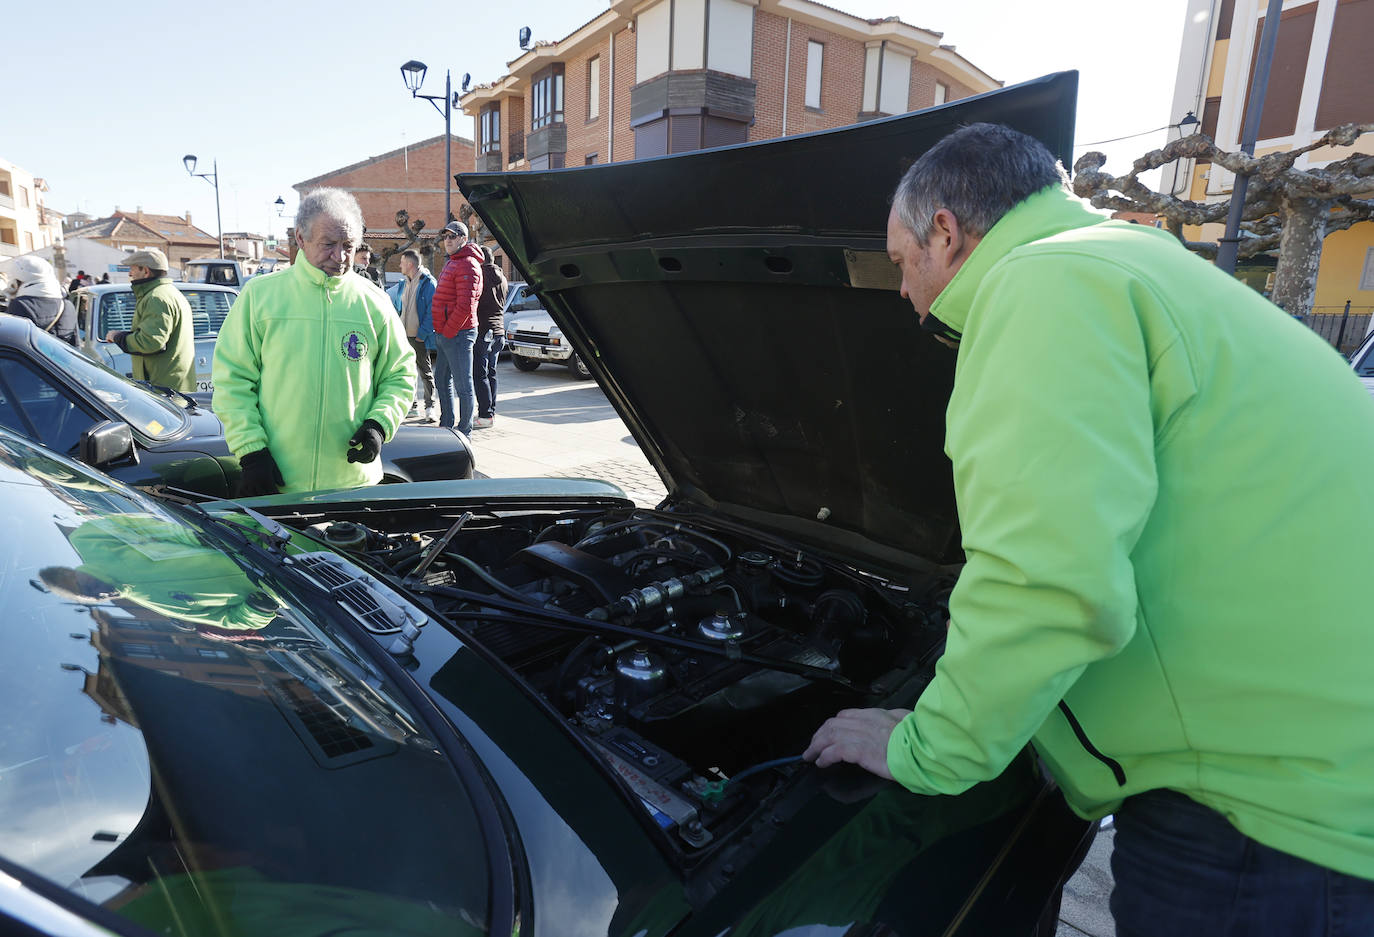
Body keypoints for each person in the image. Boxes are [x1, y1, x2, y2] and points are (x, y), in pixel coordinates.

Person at [802, 122, 1374, 934]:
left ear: (945, 232)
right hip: (1317, 773)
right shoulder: (1130, 261)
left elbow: (1046, 583)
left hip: (1259, 821)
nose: (900, 292)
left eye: (900, 264)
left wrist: (927, 747)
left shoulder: (1044, 286)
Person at [212, 188, 416, 497]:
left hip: (353, 486)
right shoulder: (260, 297)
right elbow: (233, 381)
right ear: (300, 238)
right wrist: (251, 451)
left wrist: (379, 424)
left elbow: (400, 374)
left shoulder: (375, 301)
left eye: (348, 245)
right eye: (328, 244)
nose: (340, 257)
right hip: (277, 483)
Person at [103, 249, 195, 390]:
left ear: (146, 271)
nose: (129, 274)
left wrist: (117, 337)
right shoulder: (168, 293)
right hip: (171, 387)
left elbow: (151, 342)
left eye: (132, 269)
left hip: (163, 391)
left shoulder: (156, 298)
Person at [430, 220, 482, 435]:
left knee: (463, 385)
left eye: (453, 236)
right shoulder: (454, 261)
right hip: (446, 334)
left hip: (458, 334)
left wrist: (449, 331)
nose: (448, 240)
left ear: (463, 238)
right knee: (442, 380)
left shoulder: (468, 263)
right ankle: (447, 424)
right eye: (445, 236)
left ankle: (464, 431)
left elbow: (465, 306)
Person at [396, 248, 438, 422]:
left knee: (425, 373)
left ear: (410, 264)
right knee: (408, 372)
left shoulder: (428, 283)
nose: (399, 266)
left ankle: (430, 407)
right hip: (403, 337)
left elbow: (432, 311)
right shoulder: (402, 283)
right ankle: (412, 407)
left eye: (402, 263)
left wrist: (422, 334)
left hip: (419, 337)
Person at [472, 246, 508, 429]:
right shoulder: (503, 278)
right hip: (499, 331)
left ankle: (485, 415)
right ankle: (490, 412)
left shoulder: (480, 277)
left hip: (484, 329)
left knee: (480, 374)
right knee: (491, 373)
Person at [7, 256, 79, 346]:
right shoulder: (67, 305)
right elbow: (76, 345)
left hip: (33, 360)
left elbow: (14, 344)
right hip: (62, 360)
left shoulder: (19, 305)